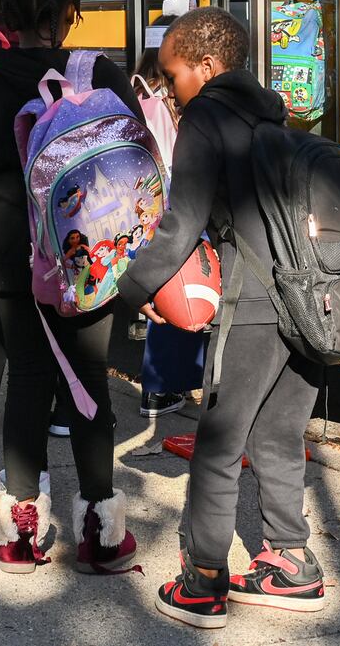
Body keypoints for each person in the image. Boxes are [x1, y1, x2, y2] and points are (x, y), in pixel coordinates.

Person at [118, 7, 327, 629]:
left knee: (218, 444)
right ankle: (292, 565)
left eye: (174, 75)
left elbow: (180, 223)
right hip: (306, 298)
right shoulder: (275, 114)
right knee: (281, 437)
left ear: (207, 68)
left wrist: (130, 292)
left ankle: (202, 582)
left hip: (255, 301)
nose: (170, 91)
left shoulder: (208, 116)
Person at [0, 0, 140, 574]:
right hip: (91, 257)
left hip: (9, 255)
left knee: (28, 377)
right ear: (69, 13)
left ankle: (20, 532)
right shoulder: (100, 74)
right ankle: (103, 533)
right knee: (89, 385)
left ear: (2, 13)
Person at [132, 44, 205, 419]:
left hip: (143, 218)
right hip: (173, 217)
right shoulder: (167, 112)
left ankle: (161, 389)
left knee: (163, 298)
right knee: (182, 295)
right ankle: (162, 389)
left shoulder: (132, 107)